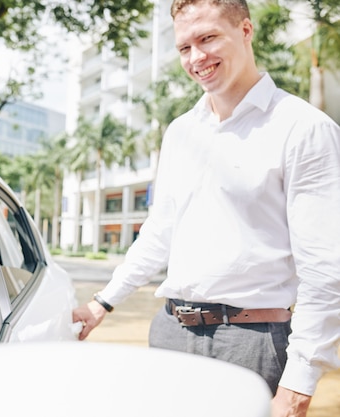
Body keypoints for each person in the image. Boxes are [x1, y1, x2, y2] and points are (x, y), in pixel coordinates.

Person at [72, 0, 340, 415]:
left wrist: (299, 383)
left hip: (252, 343)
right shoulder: (180, 133)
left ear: (246, 31)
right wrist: (102, 302)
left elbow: (325, 269)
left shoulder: (304, 128)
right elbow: (159, 233)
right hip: (170, 332)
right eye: (184, 47)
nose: (197, 58)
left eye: (208, 38)